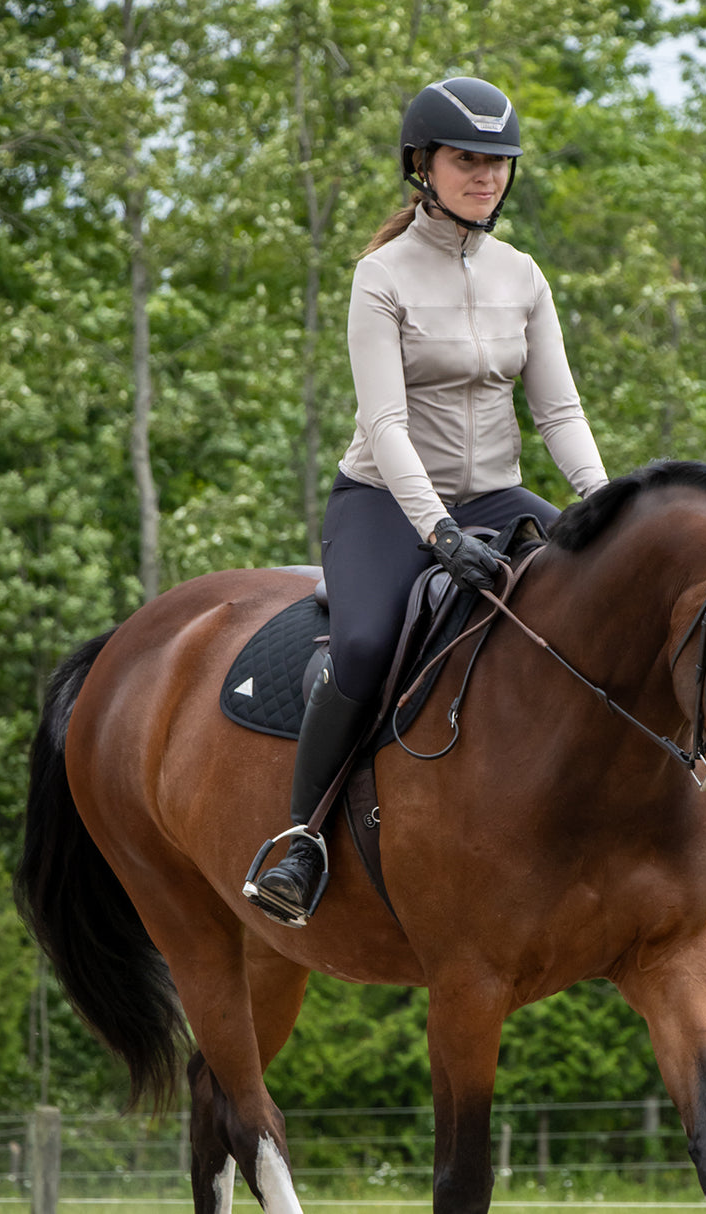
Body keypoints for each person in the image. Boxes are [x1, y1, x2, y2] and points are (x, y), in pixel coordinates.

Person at [245, 76, 608, 927]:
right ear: (423, 166)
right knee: (368, 645)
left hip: (497, 493)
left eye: (499, 163)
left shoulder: (523, 275)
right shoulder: (382, 276)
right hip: (385, 501)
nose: (487, 176)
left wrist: (607, 504)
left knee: (601, 602)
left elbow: (558, 411)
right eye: (467, 160)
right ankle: (302, 840)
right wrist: (439, 531)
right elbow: (387, 421)